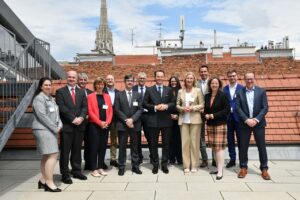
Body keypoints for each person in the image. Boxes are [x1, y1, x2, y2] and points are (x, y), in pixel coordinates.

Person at [236, 72, 270, 180]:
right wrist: (246, 119)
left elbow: (265, 107)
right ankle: (243, 167)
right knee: (243, 147)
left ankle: (264, 169)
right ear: (244, 80)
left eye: (251, 79)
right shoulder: (239, 92)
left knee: (261, 146)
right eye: (247, 79)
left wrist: (256, 119)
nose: (249, 81)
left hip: (258, 123)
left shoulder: (261, 91)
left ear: (254, 79)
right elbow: (238, 108)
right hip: (244, 123)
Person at [56, 70, 88, 184]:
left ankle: (76, 171)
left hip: (79, 126)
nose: (71, 79)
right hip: (67, 126)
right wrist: (73, 119)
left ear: (76, 79)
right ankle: (65, 174)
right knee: (65, 151)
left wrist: (81, 118)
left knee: (77, 150)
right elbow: (62, 107)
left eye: (73, 77)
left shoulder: (81, 92)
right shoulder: (60, 92)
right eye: (69, 77)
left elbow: (85, 107)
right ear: (67, 78)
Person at [32, 77, 62, 192]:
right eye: (46, 85)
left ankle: (43, 180)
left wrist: (59, 124)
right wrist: (55, 128)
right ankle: (49, 183)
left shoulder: (50, 98)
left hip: (50, 129)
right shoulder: (39, 99)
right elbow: (42, 116)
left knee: (46, 155)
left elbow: (57, 115)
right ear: (41, 86)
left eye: (50, 85)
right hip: (43, 129)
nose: (48, 87)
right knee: (53, 155)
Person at [143, 69, 175, 174]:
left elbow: (173, 103)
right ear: (155, 77)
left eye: (161, 76)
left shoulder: (169, 89)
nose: (160, 78)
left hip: (166, 121)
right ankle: (155, 164)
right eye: (158, 76)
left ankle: (164, 164)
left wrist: (166, 106)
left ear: (164, 77)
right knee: (153, 144)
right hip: (153, 120)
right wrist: (155, 107)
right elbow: (144, 104)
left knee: (166, 144)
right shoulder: (149, 90)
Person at [115, 74, 143, 176]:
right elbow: (117, 110)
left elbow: (140, 109)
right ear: (125, 82)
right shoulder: (119, 94)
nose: (130, 82)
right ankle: (121, 166)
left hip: (135, 125)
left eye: (131, 81)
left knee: (135, 147)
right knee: (122, 147)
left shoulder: (138, 95)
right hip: (122, 125)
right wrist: (126, 120)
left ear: (134, 82)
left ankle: (135, 166)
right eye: (128, 81)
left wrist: (132, 119)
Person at [176, 72, 204, 173]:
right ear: (185, 80)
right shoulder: (180, 91)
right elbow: (177, 105)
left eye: (191, 78)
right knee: (185, 143)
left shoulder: (198, 90)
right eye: (187, 78)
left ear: (194, 80)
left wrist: (192, 108)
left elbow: (202, 104)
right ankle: (186, 166)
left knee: (194, 143)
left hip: (195, 120)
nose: (189, 80)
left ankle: (194, 165)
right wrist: (183, 109)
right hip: (183, 120)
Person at [204, 77, 230, 180]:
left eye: (216, 83)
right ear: (209, 85)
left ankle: (220, 171)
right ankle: (217, 168)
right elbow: (205, 109)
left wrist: (213, 115)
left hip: (220, 124)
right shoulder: (207, 96)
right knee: (214, 147)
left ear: (219, 84)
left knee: (219, 148)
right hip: (210, 124)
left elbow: (227, 110)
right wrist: (205, 115)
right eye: (212, 83)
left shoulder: (223, 95)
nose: (214, 85)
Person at [87, 77, 113, 177]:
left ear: (104, 85)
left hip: (105, 125)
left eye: (102, 84)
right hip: (94, 125)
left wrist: (107, 122)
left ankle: (100, 167)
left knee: (102, 147)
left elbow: (110, 111)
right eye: (98, 84)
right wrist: (99, 122)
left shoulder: (107, 96)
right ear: (95, 85)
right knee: (94, 147)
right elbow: (90, 111)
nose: (100, 86)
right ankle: (94, 169)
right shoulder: (90, 96)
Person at [223, 70, 243, 168]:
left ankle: (242, 160)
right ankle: (232, 159)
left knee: (241, 140)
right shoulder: (225, 89)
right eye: (230, 76)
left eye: (234, 76)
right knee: (230, 140)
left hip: (239, 118)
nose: (232, 78)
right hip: (228, 118)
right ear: (228, 77)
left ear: (237, 76)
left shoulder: (242, 88)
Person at [132, 72, 151, 164]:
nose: (142, 80)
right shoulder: (133, 89)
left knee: (150, 137)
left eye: (143, 78)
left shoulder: (150, 89)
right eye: (140, 78)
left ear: (146, 79)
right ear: (137, 79)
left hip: (147, 116)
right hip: (136, 116)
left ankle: (152, 156)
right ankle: (139, 157)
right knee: (137, 138)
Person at [77, 73, 93, 170]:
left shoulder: (90, 92)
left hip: (90, 122)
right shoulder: (75, 92)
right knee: (77, 145)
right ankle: (77, 166)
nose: (83, 81)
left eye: (84, 80)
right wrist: (83, 116)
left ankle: (88, 164)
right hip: (79, 121)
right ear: (78, 81)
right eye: (81, 79)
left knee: (89, 143)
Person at [104, 74, 119, 168]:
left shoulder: (119, 92)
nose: (110, 80)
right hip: (104, 120)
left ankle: (113, 159)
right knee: (103, 140)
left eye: (111, 79)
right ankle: (101, 160)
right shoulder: (102, 91)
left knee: (114, 140)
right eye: (108, 79)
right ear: (106, 81)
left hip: (115, 120)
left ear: (114, 81)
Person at [196, 65, 210, 168]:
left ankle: (215, 159)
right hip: (199, 114)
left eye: (205, 71)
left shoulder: (213, 82)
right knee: (201, 138)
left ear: (208, 72)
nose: (203, 73)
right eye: (201, 72)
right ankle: (205, 159)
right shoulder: (196, 84)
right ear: (199, 73)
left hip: (211, 114)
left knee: (214, 137)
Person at [168, 75, 183, 165]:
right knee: (170, 140)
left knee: (179, 139)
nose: (173, 83)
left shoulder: (181, 92)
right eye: (172, 81)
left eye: (175, 81)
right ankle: (171, 158)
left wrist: (178, 115)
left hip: (179, 118)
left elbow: (184, 105)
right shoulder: (167, 91)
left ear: (177, 82)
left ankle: (180, 158)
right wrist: (169, 115)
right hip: (168, 119)